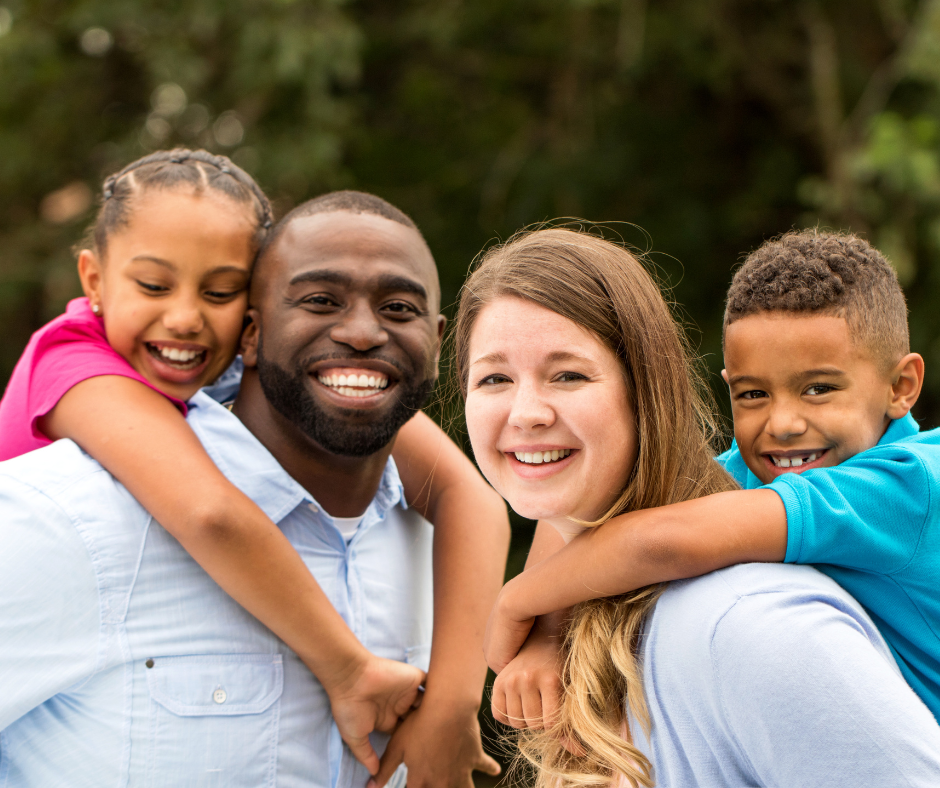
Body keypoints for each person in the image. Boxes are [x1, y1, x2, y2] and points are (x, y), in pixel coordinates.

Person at [0, 190, 508, 787]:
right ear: (249, 335)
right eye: (321, 300)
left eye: (399, 308)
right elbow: (209, 512)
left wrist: (450, 705)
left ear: (440, 340)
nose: (366, 333)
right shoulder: (71, 512)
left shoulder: (441, 554)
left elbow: (472, 496)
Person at [455, 227, 940, 787]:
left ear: (902, 385)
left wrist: (519, 603)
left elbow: (660, 541)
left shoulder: (909, 487)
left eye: (818, 389)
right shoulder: (761, 468)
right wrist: (548, 636)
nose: (782, 423)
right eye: (753, 395)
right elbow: (577, 522)